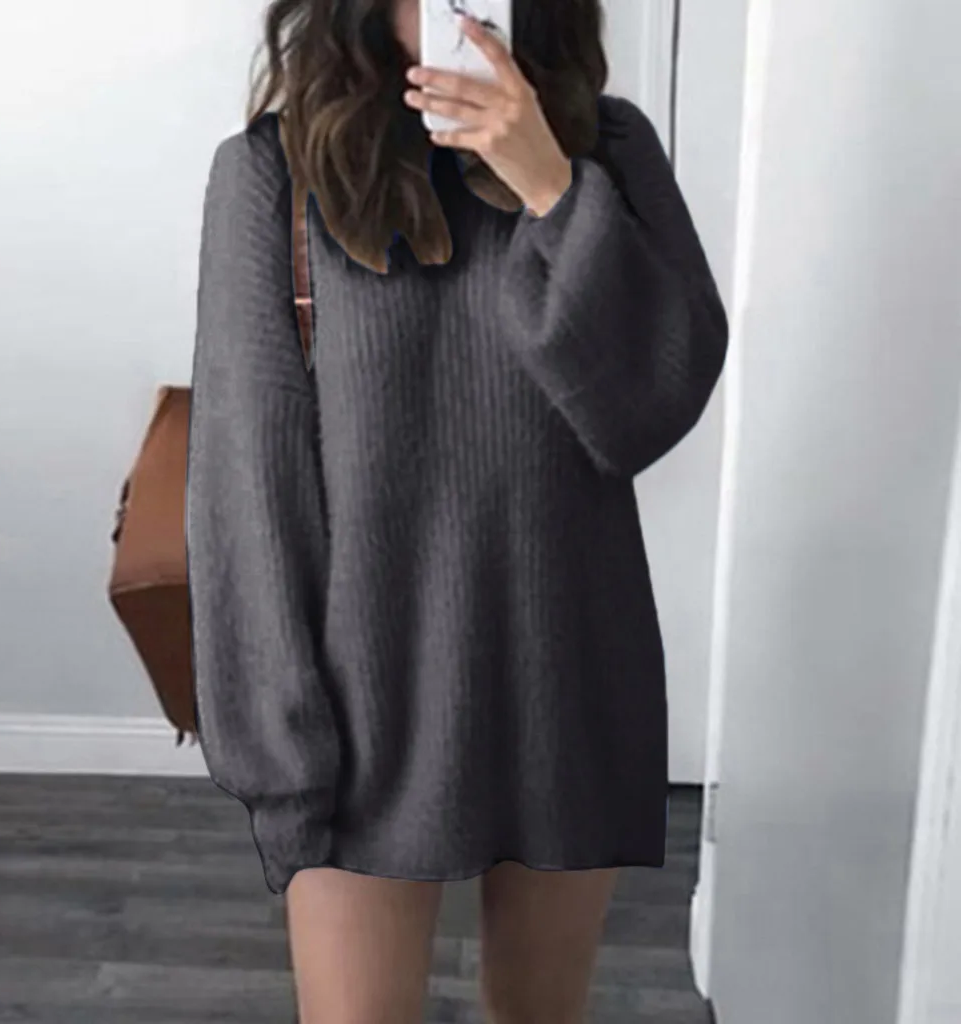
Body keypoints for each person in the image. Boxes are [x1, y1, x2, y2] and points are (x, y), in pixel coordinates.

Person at [184, 0, 728, 1021]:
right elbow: (247, 488)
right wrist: (282, 750)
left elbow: (652, 403)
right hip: (365, 706)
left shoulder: (610, 148)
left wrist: (552, 189)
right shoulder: (275, 171)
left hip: (568, 674)